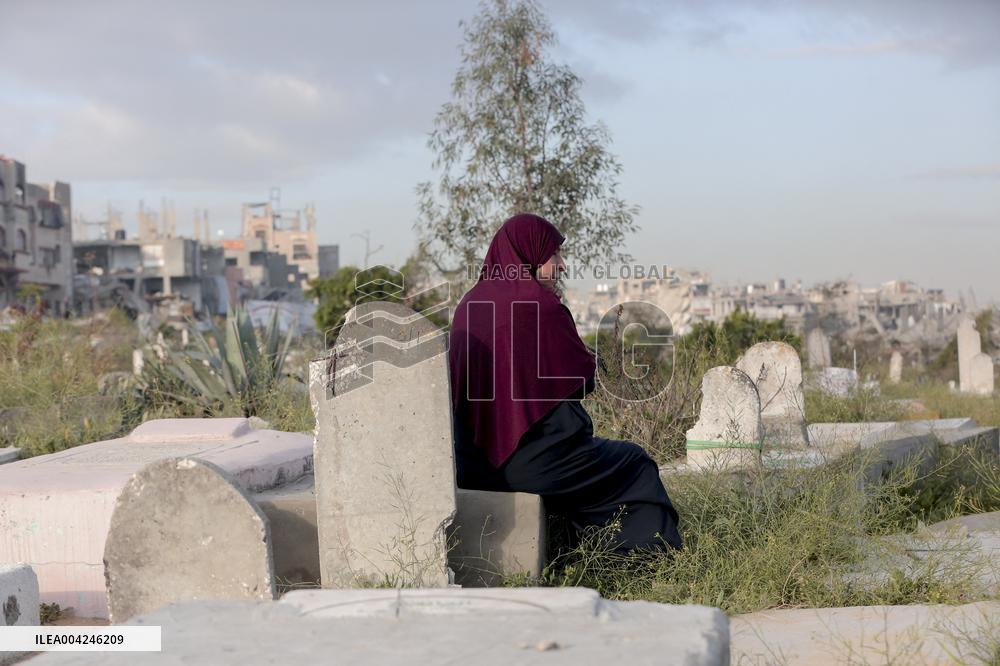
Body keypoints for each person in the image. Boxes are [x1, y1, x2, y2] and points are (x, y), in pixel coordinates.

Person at [448, 213, 682, 554]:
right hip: (530, 466)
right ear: (527, 255)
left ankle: (580, 553)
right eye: (553, 255)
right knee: (634, 463)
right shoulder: (540, 306)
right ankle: (647, 559)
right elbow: (584, 380)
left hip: (473, 467)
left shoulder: (469, 305)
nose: (562, 265)